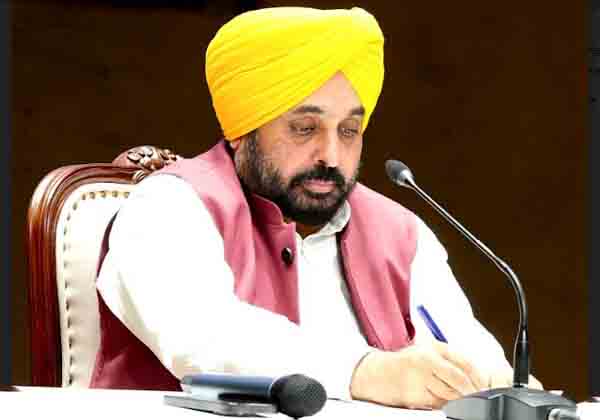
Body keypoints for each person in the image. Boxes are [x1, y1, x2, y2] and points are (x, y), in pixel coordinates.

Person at [91, 6, 541, 409]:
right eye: (305, 128)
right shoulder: (170, 206)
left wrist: (500, 385)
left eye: (348, 131)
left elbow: (465, 345)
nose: (331, 154)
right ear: (242, 131)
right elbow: (206, 334)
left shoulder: (401, 233)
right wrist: (368, 372)